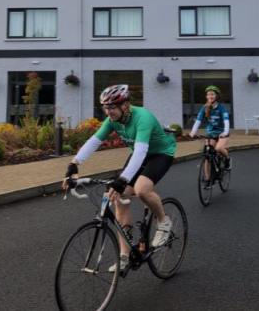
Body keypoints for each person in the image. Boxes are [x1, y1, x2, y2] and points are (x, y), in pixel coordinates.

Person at [62, 84, 176, 272]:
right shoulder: (112, 120)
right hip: (140, 154)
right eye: (105, 107)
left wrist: (123, 179)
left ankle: (163, 222)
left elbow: (140, 152)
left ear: (125, 105)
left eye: (112, 107)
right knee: (118, 197)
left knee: (141, 190)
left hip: (161, 153)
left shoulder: (142, 117)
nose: (108, 112)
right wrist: (74, 163)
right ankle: (124, 255)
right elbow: (94, 141)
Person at [189, 85, 231, 172]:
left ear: (216, 96)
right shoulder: (204, 107)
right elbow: (198, 120)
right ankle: (207, 181)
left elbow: (226, 120)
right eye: (208, 94)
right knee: (207, 155)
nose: (210, 96)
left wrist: (225, 132)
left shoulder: (221, 107)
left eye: (212, 94)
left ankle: (227, 159)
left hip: (221, 133)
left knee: (218, 148)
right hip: (210, 133)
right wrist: (193, 131)